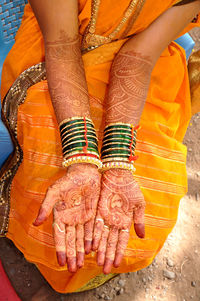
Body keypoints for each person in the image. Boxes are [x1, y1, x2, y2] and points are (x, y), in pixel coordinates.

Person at [0, 0, 200, 294]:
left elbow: (138, 58)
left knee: (148, 209)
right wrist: (81, 156)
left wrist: (117, 164)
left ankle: (83, 275)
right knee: (48, 181)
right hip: (57, 51)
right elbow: (62, 44)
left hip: (143, 62)